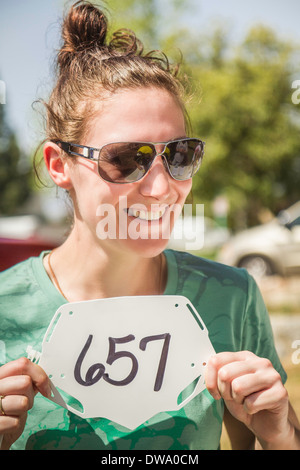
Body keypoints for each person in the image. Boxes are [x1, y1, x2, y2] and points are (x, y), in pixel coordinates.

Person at [0, 1, 299, 451]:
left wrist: (281, 434)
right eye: (124, 160)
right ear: (58, 164)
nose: (162, 188)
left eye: (179, 155)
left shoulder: (233, 297)